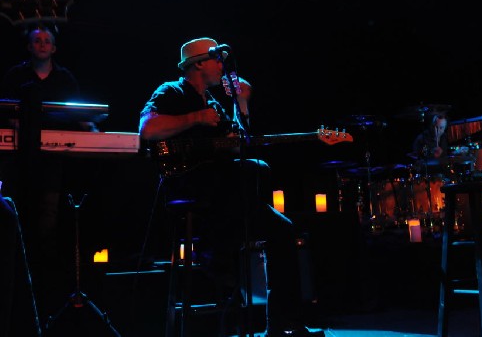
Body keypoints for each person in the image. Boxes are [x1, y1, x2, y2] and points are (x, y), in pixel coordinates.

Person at [139, 37, 325, 337]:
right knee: (254, 173)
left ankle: (281, 323)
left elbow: (239, 143)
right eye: (217, 61)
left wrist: (242, 102)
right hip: (192, 192)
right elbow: (147, 129)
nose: (222, 67)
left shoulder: (214, 102)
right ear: (199, 63)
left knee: (283, 229)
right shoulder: (170, 91)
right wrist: (197, 117)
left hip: (226, 195)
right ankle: (216, 255)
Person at [0, 25, 97, 326]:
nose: (42, 45)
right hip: (16, 162)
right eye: (37, 41)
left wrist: (90, 130)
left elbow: (77, 113)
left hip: (52, 163)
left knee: (47, 221)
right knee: (15, 216)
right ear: (29, 47)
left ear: (54, 48)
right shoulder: (16, 76)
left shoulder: (65, 79)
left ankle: (42, 286)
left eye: (47, 41)